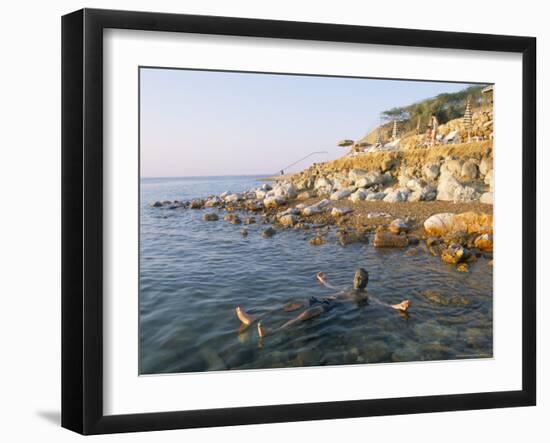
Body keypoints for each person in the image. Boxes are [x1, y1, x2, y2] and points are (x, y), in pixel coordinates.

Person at [235, 268, 411, 338]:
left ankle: (273, 331)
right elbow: (331, 286)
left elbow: (384, 304)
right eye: (356, 276)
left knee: (307, 313)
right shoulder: (345, 287)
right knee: (295, 303)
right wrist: (322, 280)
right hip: (324, 299)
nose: (358, 279)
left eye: (361, 278)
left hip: (331, 307)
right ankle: (254, 317)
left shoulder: (366, 294)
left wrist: (399, 306)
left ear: (365, 282)